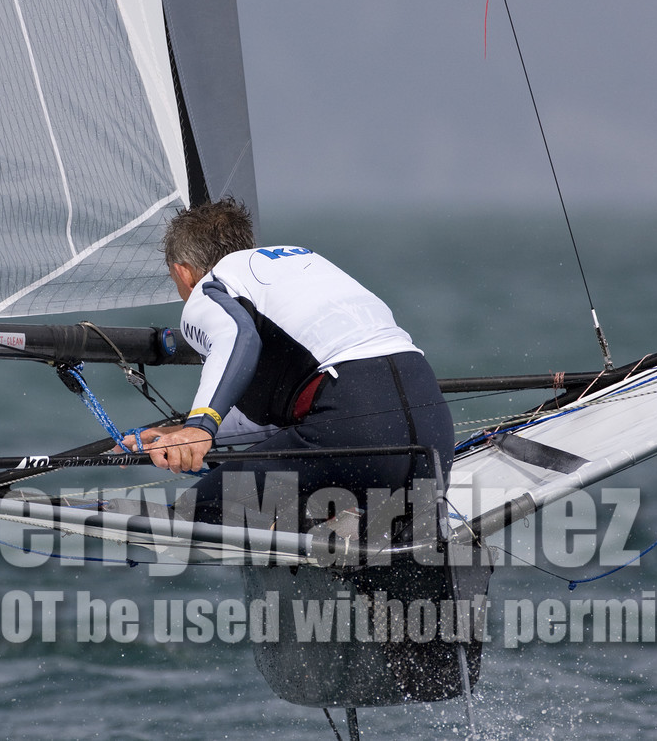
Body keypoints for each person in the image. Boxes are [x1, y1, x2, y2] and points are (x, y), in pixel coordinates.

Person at [125, 198, 453, 527]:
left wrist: (198, 429)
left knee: (193, 514)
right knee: (412, 538)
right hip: (433, 427)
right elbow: (271, 414)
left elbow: (238, 337)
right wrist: (180, 431)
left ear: (184, 273)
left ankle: (315, 525)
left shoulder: (210, 287)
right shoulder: (303, 262)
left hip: (352, 431)